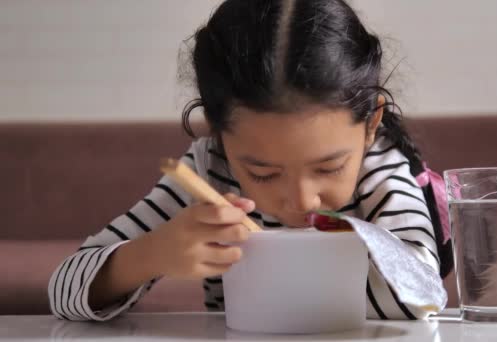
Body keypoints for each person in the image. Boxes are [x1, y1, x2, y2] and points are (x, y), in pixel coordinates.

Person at [48, 0, 453, 322]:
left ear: (371, 123)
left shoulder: (378, 166)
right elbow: (64, 290)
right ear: (219, 133)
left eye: (328, 168)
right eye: (263, 172)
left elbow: (421, 296)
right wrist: (153, 253)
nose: (302, 200)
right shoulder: (210, 169)